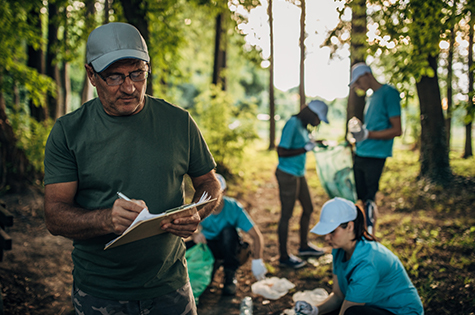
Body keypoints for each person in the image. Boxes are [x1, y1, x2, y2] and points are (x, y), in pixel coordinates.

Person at [43, 22, 221, 315]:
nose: (129, 87)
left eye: (137, 73)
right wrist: (104, 219)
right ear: (91, 75)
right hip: (100, 292)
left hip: (171, 285)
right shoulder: (68, 132)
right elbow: (54, 216)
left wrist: (196, 212)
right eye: (114, 76)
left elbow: (209, 183)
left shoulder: (179, 122)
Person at [294, 197, 424, 315]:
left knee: (352, 313)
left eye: (332, 231)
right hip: (372, 308)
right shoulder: (339, 250)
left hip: (399, 312)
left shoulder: (368, 262)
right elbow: (338, 296)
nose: (327, 237)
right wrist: (315, 310)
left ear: (350, 226)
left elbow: (350, 309)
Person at [186, 174, 267, 296]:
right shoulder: (199, 207)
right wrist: (195, 235)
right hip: (208, 245)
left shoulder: (233, 207)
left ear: (224, 192)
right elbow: (188, 227)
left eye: (217, 192)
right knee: (183, 249)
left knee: (228, 231)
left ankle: (229, 276)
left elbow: (256, 235)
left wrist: (257, 260)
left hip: (229, 246)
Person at [347, 63, 402, 235]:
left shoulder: (389, 93)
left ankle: (371, 237)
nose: (357, 86)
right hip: (360, 153)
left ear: (367, 74)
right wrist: (359, 135)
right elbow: (371, 128)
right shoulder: (371, 97)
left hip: (375, 156)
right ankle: (362, 234)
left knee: (370, 200)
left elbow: (397, 130)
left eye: (357, 82)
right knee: (361, 199)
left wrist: (368, 134)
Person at [275, 100, 329, 269]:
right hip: (287, 174)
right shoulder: (292, 123)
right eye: (318, 119)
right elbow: (281, 151)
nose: (318, 122)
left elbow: (302, 144)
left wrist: (316, 143)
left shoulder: (303, 126)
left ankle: (304, 247)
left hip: (299, 173)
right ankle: (284, 257)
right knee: (287, 215)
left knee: (308, 208)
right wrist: (305, 149)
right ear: (311, 113)